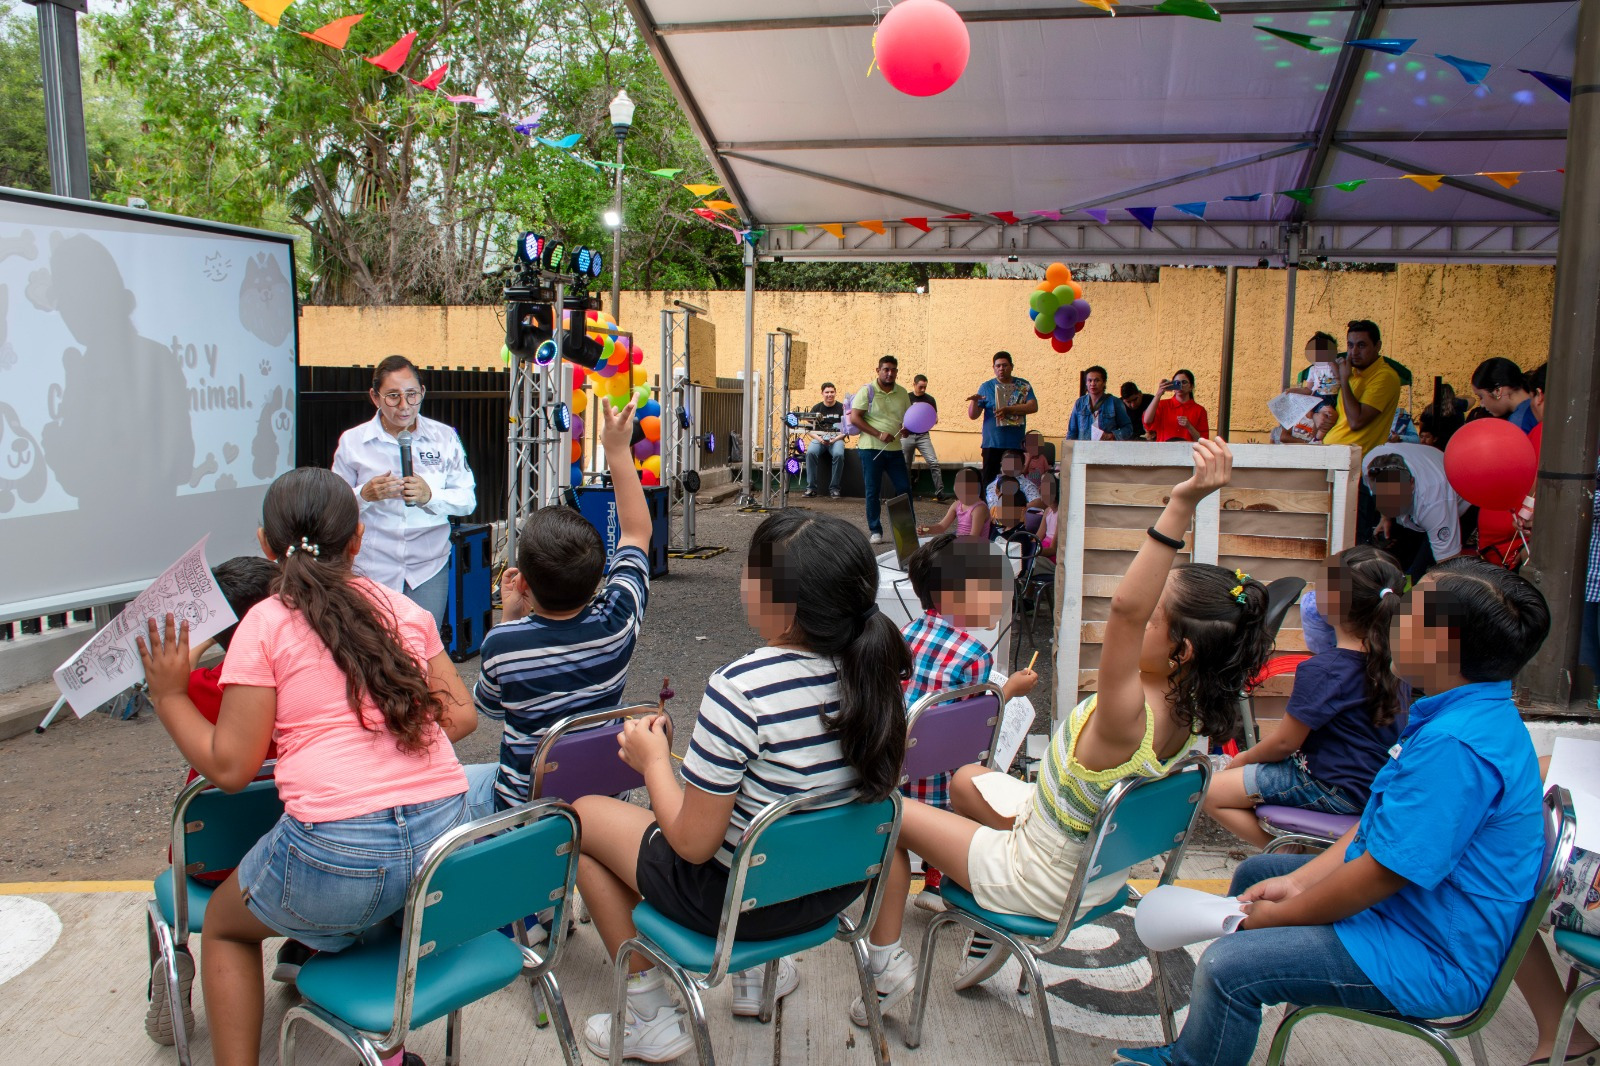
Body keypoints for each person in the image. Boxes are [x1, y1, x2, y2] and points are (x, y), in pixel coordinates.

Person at [849, 439, 1272, 1026]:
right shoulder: (1193, 707)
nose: (1139, 619)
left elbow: (1124, 610)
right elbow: (1144, 615)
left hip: (1039, 877)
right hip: (1093, 867)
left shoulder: (1127, 713)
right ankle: (980, 920)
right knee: (967, 779)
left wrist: (1181, 504)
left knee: (888, 812)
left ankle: (886, 968)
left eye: (1155, 618)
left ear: (1182, 651)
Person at [1116, 559, 1551, 1066]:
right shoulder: (1469, 714)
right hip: (1415, 913)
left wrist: (1285, 913)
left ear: (1442, 645)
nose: (1393, 620)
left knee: (1227, 966)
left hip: (1428, 952)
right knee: (1262, 873)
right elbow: (1376, 826)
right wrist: (1297, 884)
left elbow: (1382, 874)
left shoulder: (1454, 748)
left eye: (1410, 612)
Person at [135, 466, 479, 1066]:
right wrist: (383, 725)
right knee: (376, 898)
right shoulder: (403, 610)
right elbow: (463, 717)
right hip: (440, 842)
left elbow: (232, 769)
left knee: (224, 927)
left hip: (337, 860)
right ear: (359, 540)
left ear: (266, 546)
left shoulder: (265, 624)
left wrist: (167, 696)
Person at [570, 511, 911, 1062]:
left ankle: (647, 1012)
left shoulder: (740, 689)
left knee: (584, 820)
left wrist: (653, 763)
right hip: (826, 892)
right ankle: (755, 980)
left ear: (783, 601)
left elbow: (692, 843)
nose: (742, 581)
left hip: (738, 907)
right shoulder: (875, 673)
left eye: (751, 571)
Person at [468, 398, 651, 815]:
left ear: (523, 583)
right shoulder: (617, 622)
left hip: (526, 807)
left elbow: (488, 706)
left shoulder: (502, 644)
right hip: (604, 799)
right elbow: (636, 533)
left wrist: (510, 617)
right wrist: (617, 449)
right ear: (597, 576)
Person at [1205, 546, 1409, 849]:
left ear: (1331, 602)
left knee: (1208, 791)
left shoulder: (1324, 670)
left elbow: (1285, 743)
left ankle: (1292, 856)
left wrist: (1242, 759)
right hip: (1371, 788)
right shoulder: (1396, 666)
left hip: (1329, 787)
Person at [901, 534, 1040, 912]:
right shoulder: (974, 654)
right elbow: (974, 724)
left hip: (899, 771)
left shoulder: (904, 634)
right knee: (983, 778)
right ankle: (939, 882)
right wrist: (1010, 690)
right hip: (941, 785)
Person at [331, 355, 478, 628]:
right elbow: (332, 506)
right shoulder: (353, 441)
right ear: (375, 397)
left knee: (423, 646)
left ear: (422, 392)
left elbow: (467, 501)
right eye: (393, 396)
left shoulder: (445, 437)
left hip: (428, 567)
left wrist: (430, 496)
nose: (404, 406)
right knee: (370, 645)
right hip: (372, 567)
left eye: (412, 395)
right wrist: (364, 494)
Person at [1363, 444, 1473, 584]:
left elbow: (1449, 566)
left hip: (1460, 494)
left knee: (1420, 573)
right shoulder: (1368, 466)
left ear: (1411, 483)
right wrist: (1385, 517)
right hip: (1423, 471)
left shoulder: (1434, 503)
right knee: (1390, 560)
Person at [1480, 362, 1545, 569]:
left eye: (1481, 396)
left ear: (1539, 395)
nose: (1481, 404)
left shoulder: (1532, 425)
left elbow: (1535, 478)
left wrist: (1527, 514)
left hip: (1517, 539)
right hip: (1517, 536)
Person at [850, 356, 916, 545]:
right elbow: (855, 417)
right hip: (870, 449)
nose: (889, 373)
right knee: (873, 491)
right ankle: (875, 530)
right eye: (886, 369)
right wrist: (879, 434)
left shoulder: (902, 393)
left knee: (903, 489)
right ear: (878, 370)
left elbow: (907, 419)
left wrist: (906, 429)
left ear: (897, 372)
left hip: (895, 449)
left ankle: (905, 531)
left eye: (893, 370)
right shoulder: (867, 391)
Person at [1323, 320, 1402, 459]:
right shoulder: (1351, 371)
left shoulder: (1385, 376)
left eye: (1361, 345)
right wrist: (1319, 416)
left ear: (1377, 346)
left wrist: (1344, 380)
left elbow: (1356, 422)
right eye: (1350, 345)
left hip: (1354, 461)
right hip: (1332, 454)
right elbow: (1342, 417)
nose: (1354, 352)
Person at [967, 352, 1038, 485]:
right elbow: (973, 415)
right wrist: (974, 401)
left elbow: (1033, 406)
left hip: (1014, 444)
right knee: (989, 482)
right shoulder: (986, 387)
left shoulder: (1022, 385)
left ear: (1012, 367)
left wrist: (1008, 409)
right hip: (992, 444)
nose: (1001, 369)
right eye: (998, 366)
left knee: (1014, 482)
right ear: (993, 368)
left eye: (1005, 365)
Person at [903, 374, 948, 501]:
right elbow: (901, 415)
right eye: (920, 387)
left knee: (933, 462)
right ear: (914, 384)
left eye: (925, 387)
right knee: (905, 464)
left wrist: (932, 420)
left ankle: (940, 492)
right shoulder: (906, 398)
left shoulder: (930, 399)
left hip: (923, 435)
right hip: (907, 435)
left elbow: (935, 418)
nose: (923, 390)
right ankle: (906, 493)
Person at [1067, 365, 1136, 442]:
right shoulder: (1079, 403)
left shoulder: (1114, 402)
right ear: (1086, 383)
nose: (1093, 384)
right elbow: (1072, 432)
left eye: (1097, 380)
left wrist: (1112, 435)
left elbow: (1128, 429)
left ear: (1104, 383)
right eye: (1089, 380)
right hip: (1084, 448)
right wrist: (1069, 448)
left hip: (1106, 447)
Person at [802, 382, 847, 499]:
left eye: (832, 392)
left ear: (835, 392)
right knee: (810, 453)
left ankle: (834, 488)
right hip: (819, 438)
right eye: (827, 392)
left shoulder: (842, 408)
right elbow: (809, 430)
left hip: (836, 439)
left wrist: (835, 439)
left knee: (839, 454)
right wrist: (819, 439)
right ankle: (811, 488)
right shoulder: (817, 408)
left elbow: (847, 429)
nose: (829, 394)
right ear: (822, 393)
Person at [918, 468, 989, 540]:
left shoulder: (979, 509)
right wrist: (928, 529)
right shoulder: (957, 504)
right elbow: (941, 527)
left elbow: (973, 538)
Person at [1471, 356, 1538, 432]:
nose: (1482, 404)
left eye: (1481, 397)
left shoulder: (1518, 423)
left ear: (1497, 391)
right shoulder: (1539, 405)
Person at [1143, 369, 1209, 443]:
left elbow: (1203, 441)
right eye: (1177, 383)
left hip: (1188, 449)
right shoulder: (1162, 405)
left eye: (1184, 382)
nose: (1180, 385)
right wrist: (1159, 393)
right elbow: (1147, 421)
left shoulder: (1200, 410)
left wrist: (1189, 426)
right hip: (1165, 448)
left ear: (1191, 387)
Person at [1418, 383, 1467, 449]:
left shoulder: (1428, 410)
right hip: (1452, 445)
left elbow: (1422, 427)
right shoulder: (1457, 409)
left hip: (1434, 446)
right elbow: (1472, 400)